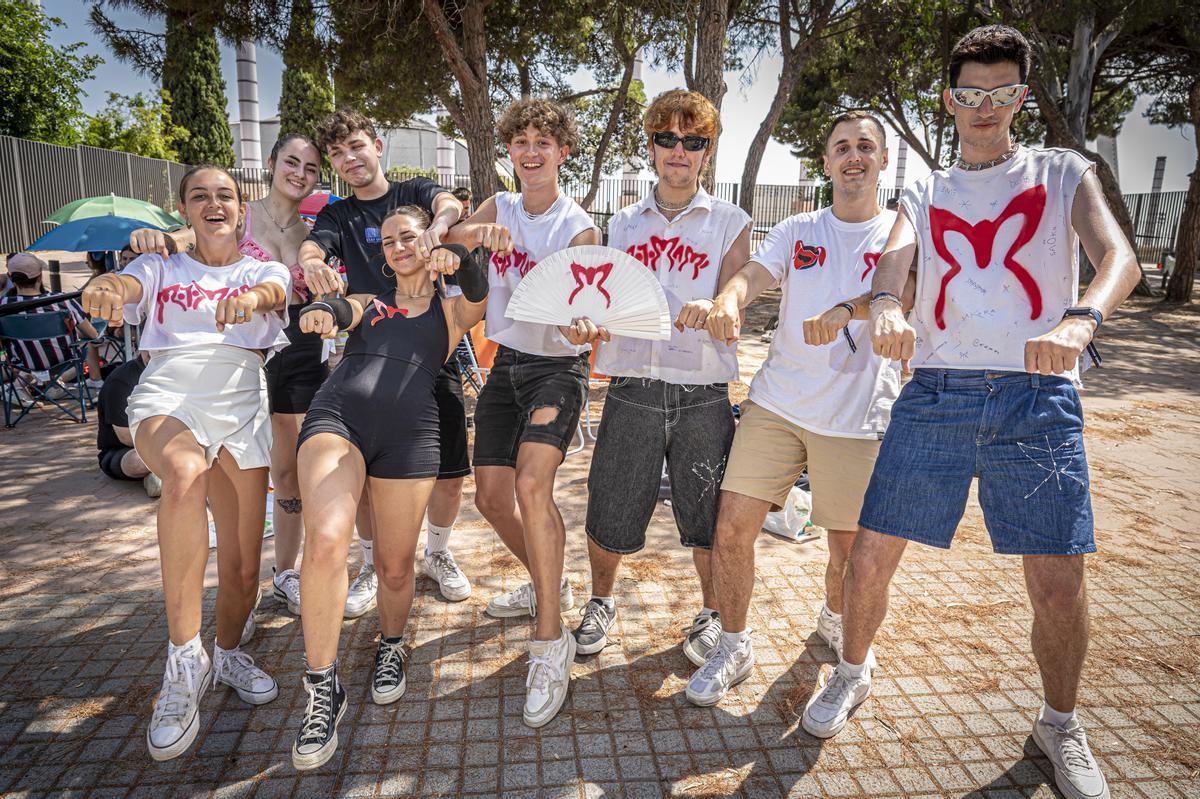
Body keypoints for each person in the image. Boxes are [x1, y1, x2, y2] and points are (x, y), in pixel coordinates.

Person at [800, 26, 1142, 799]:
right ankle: (852, 671)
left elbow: (1119, 256)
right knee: (867, 556)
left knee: (1057, 581)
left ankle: (1059, 723)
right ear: (949, 99)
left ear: (1022, 95)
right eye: (969, 94)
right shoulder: (923, 188)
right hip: (937, 393)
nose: (984, 108)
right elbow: (896, 257)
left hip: (1037, 395)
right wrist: (886, 304)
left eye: (1002, 93)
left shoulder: (1061, 171)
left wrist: (1081, 318)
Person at [687, 111, 912, 707]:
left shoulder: (903, 235)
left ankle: (841, 632)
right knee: (732, 528)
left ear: (884, 160)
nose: (854, 157)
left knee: (847, 552)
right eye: (842, 147)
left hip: (858, 417)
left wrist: (850, 310)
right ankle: (733, 644)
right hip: (777, 404)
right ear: (827, 161)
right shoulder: (797, 228)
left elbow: (906, 298)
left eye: (866, 146)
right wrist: (728, 300)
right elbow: (752, 276)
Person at [82, 164, 290, 761]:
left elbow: (275, 293)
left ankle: (225, 654)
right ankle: (182, 662)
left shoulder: (261, 267)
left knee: (246, 570)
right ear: (185, 210)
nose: (214, 203)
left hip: (242, 398)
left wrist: (250, 298)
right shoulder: (159, 264)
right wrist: (110, 287)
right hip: (170, 391)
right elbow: (126, 287)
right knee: (182, 472)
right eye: (199, 195)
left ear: (241, 209)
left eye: (224, 194)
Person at [289, 207, 491, 770]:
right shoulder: (370, 301)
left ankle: (392, 646)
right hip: (339, 420)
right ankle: (322, 687)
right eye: (391, 239)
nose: (401, 245)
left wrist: (463, 257)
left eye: (412, 236)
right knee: (327, 540)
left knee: (396, 567)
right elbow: (338, 308)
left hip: (412, 436)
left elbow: (479, 291)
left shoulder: (450, 312)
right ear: (383, 253)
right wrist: (324, 313)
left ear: (429, 242)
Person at [566, 90, 751, 667]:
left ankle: (713, 612)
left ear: (706, 153)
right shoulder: (620, 223)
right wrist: (586, 323)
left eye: (692, 141)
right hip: (632, 389)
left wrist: (720, 305)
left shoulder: (732, 222)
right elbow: (601, 298)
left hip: (703, 395)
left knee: (707, 515)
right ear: (650, 146)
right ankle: (601, 601)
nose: (679, 150)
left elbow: (734, 297)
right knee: (610, 504)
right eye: (667, 138)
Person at [444, 97, 601, 729]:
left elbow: (591, 309)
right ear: (509, 151)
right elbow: (445, 239)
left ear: (562, 152)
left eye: (544, 143)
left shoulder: (579, 227)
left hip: (558, 368)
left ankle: (549, 640)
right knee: (489, 497)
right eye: (520, 143)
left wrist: (584, 322)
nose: (531, 153)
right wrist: (470, 230)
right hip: (506, 364)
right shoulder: (500, 206)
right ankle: (551, 580)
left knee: (534, 487)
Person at [129, 134, 323, 618]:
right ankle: (221, 604)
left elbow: (280, 286)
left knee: (290, 470)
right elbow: (189, 240)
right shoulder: (234, 210)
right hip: (218, 353)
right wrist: (163, 240)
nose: (300, 173)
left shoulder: (313, 233)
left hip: (289, 349)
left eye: (312, 167)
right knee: (209, 471)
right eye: (291, 162)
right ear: (272, 164)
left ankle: (284, 574)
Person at [300, 109, 473, 610]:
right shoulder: (337, 214)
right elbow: (314, 248)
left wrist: (438, 228)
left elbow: (446, 205)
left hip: (431, 347)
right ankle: (372, 563)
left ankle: (438, 554)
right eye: (336, 153)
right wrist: (313, 266)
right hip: (368, 350)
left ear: (377, 145)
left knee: (450, 470)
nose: (348, 158)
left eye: (355, 146)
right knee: (367, 477)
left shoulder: (412, 191)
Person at [1, 253, 103, 388]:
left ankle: (22, 386)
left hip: (22, 365)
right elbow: (93, 335)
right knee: (89, 341)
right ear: (40, 276)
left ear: (10, 277)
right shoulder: (62, 301)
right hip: (65, 362)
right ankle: (95, 381)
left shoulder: (3, 305)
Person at [96, 353, 161, 497]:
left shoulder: (176, 375)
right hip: (124, 449)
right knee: (137, 462)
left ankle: (161, 474)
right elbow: (125, 436)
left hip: (167, 443)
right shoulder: (122, 379)